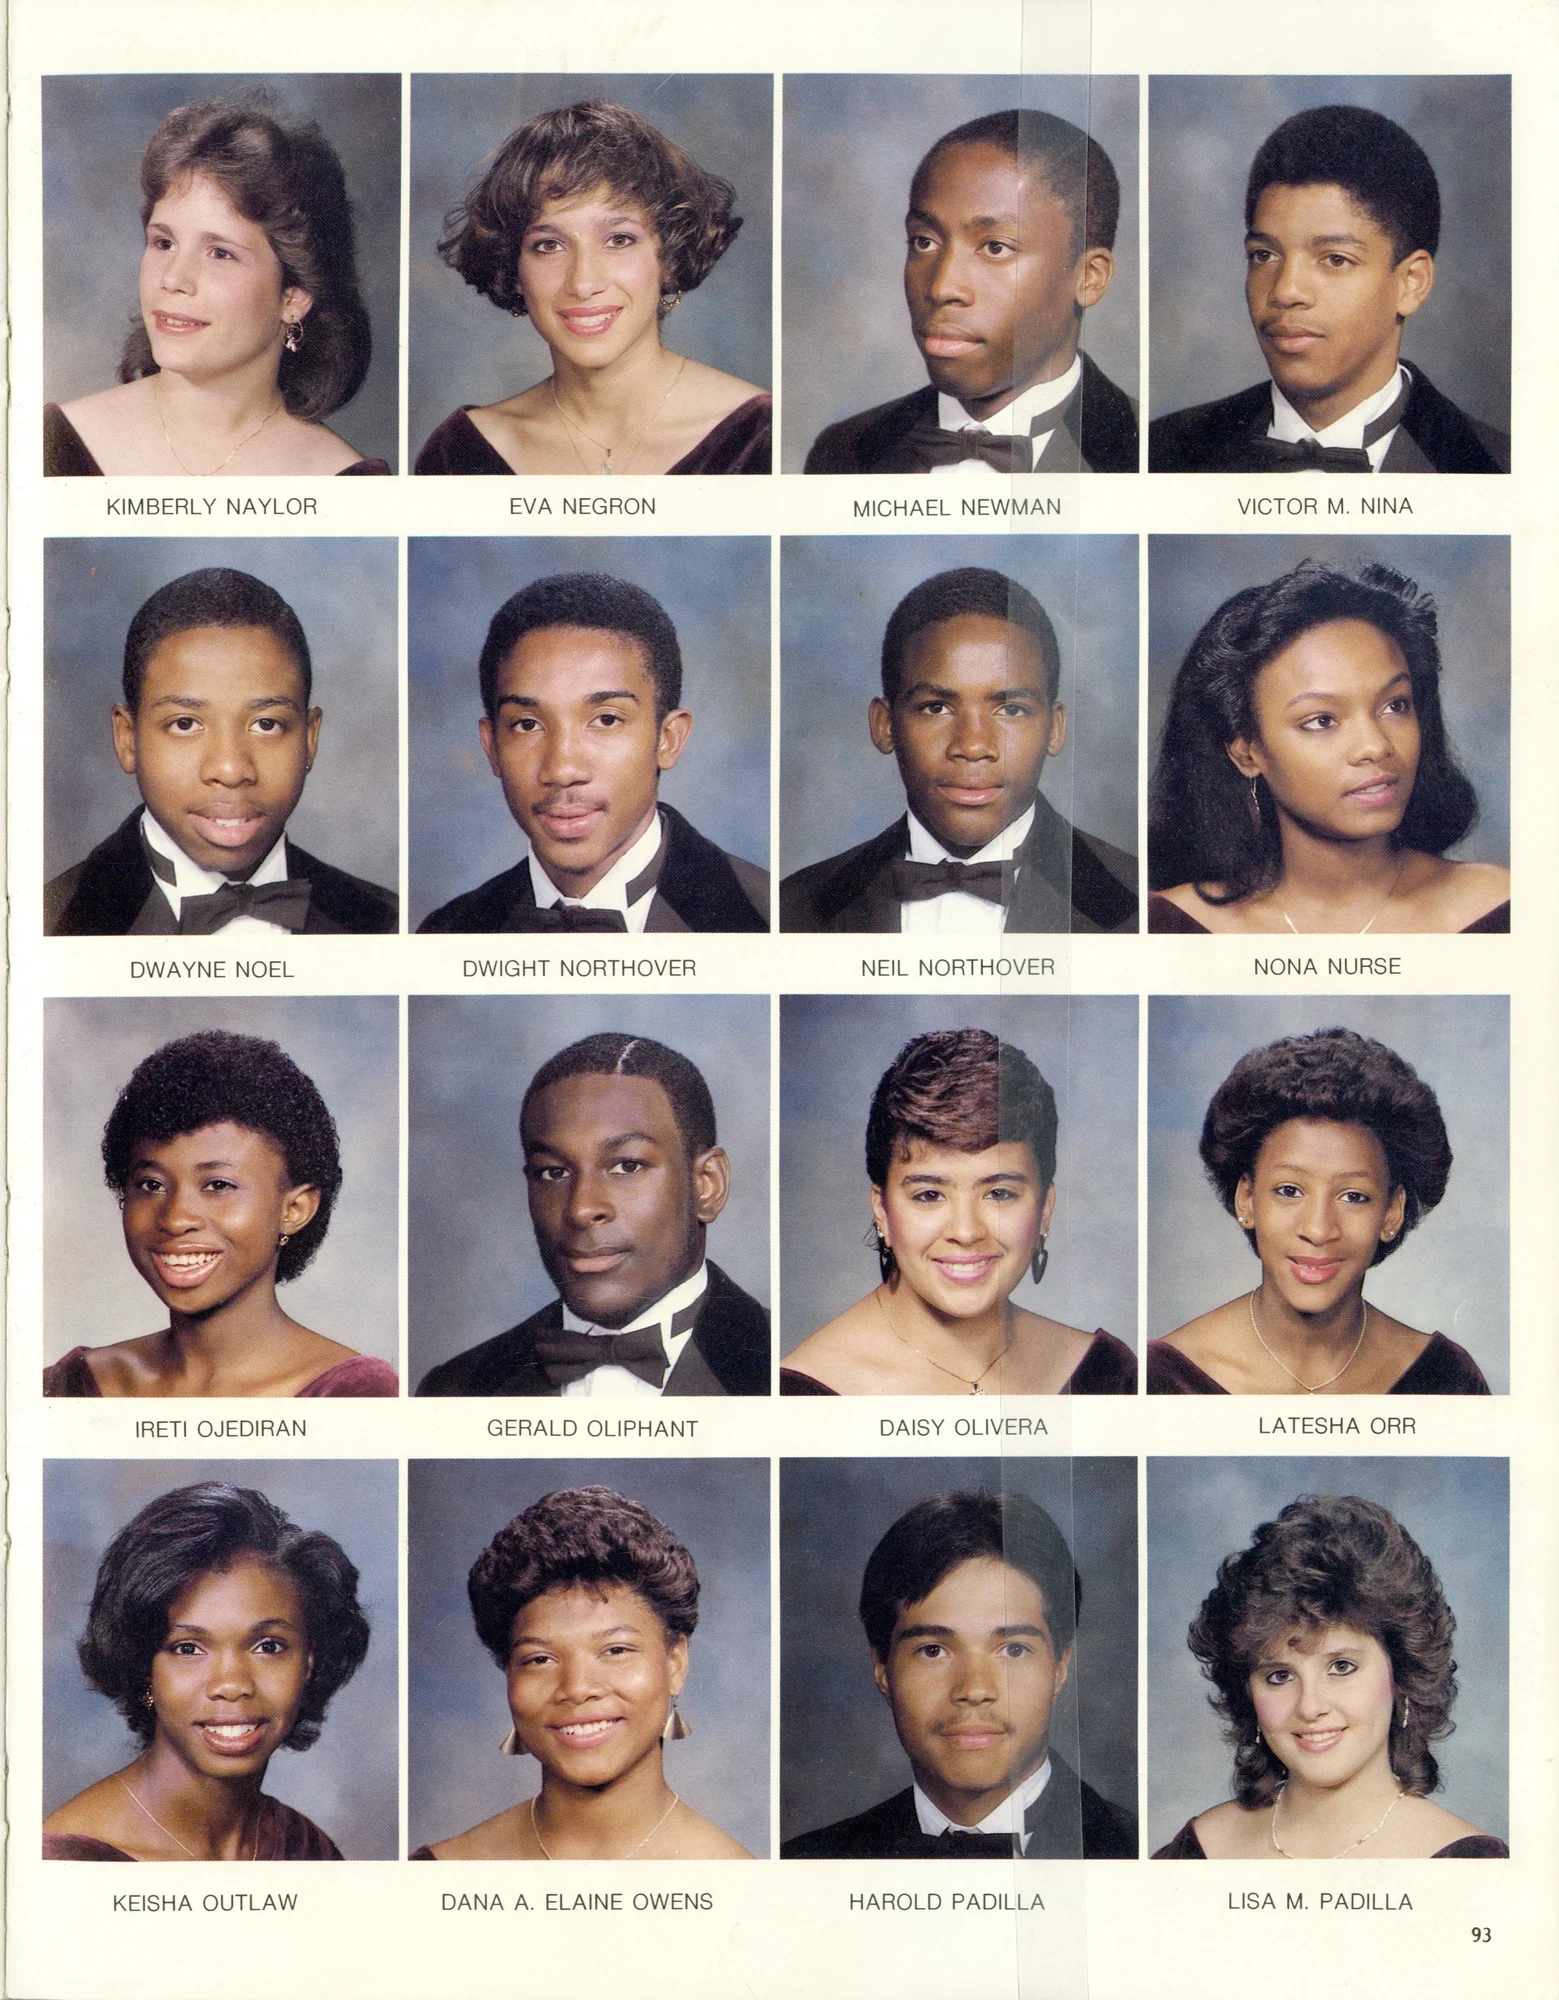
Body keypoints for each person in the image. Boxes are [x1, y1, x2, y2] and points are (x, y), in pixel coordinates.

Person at [1148, 561, 1510, 934]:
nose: (1375, 746)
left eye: (1394, 705)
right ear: (1247, 753)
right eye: (1322, 720)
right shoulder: (1163, 923)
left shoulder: (1505, 906)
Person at [415, 100, 769, 475]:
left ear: (668, 256)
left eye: (618, 240)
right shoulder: (458, 454)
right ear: (514, 270)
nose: (583, 283)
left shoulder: (758, 437)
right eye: (549, 245)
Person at [1149, 105, 1508, 474]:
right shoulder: (1160, 452)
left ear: (1411, 283)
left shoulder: (1497, 468)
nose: (1286, 291)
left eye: (1335, 259)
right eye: (1264, 255)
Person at [45, 568, 399, 937]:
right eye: (185, 724)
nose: (230, 769)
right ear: (127, 738)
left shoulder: (386, 922)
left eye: (266, 724)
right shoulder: (46, 925)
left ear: (309, 739)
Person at [780, 568, 1137, 934]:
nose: (972, 746)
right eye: (936, 707)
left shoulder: (1141, 906)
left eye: (1011, 710)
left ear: (1055, 728)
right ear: (885, 724)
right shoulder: (796, 908)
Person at [782, 1491, 1137, 1858]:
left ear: (1059, 1667)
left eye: (1013, 1650)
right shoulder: (804, 1864)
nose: (975, 1689)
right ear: (883, 1669)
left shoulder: (1139, 1855)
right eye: (933, 1650)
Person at [44, 1030, 398, 1398]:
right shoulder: (65, 1387)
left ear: (294, 1209)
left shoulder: (356, 1395)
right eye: (151, 1185)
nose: (176, 1219)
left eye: (218, 1185)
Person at [781, 1029, 1135, 1395]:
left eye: (998, 1193)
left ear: (1044, 1209)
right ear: (882, 1209)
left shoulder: (1107, 1373)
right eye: (930, 1195)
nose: (966, 1232)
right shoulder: (799, 1395)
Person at [47, 99, 388, 477]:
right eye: (164, 243)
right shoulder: (54, 442)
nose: (173, 279)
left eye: (220, 253)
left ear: (294, 296)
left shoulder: (350, 482)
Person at [1154, 1494, 1507, 1859]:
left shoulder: (1471, 1863)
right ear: (1248, 1694)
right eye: (1279, 1675)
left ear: (1401, 1675)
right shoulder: (1197, 1850)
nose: (1310, 1706)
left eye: (1341, 1667)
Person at [416, 1032, 769, 1396]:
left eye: (628, 1166)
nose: (581, 1209)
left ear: (707, 1185)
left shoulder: (783, 1374)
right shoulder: (454, 1388)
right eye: (554, 1172)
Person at [411, 1486, 752, 1859]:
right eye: (540, 1659)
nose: (577, 1688)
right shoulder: (435, 1872)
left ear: (675, 1664)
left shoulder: (751, 1887)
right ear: (508, 1672)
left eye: (616, 1650)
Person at [416, 573, 767, 934]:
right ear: (491, 747)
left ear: (668, 739)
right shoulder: (446, 931)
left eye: (606, 720)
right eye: (527, 725)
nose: (563, 769)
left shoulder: (770, 918)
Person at [1147, 1027, 1489, 1396]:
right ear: (1246, 1199)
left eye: (1353, 1196)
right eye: (1289, 1191)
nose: (1318, 1228)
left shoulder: (1446, 1379)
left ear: (1392, 1213)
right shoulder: (1161, 1379)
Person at [44, 1481, 371, 1859]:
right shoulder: (64, 1861)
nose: (231, 1685)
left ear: (309, 1664)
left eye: (268, 1646)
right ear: (143, 1668)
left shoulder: (308, 1848)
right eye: (188, 1648)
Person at [805, 109, 1137, 474]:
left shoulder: (1154, 450)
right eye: (924, 242)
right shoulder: (843, 451)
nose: (941, 287)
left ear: (1089, 278)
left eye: (995, 247)